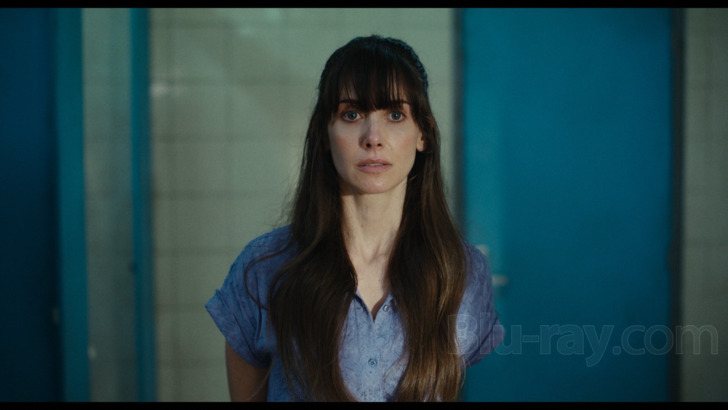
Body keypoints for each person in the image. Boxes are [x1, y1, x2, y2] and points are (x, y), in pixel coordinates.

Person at [206, 34, 504, 402]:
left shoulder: (460, 270)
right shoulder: (264, 267)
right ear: (323, 133)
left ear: (422, 134)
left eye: (395, 115)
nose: (373, 138)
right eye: (352, 115)